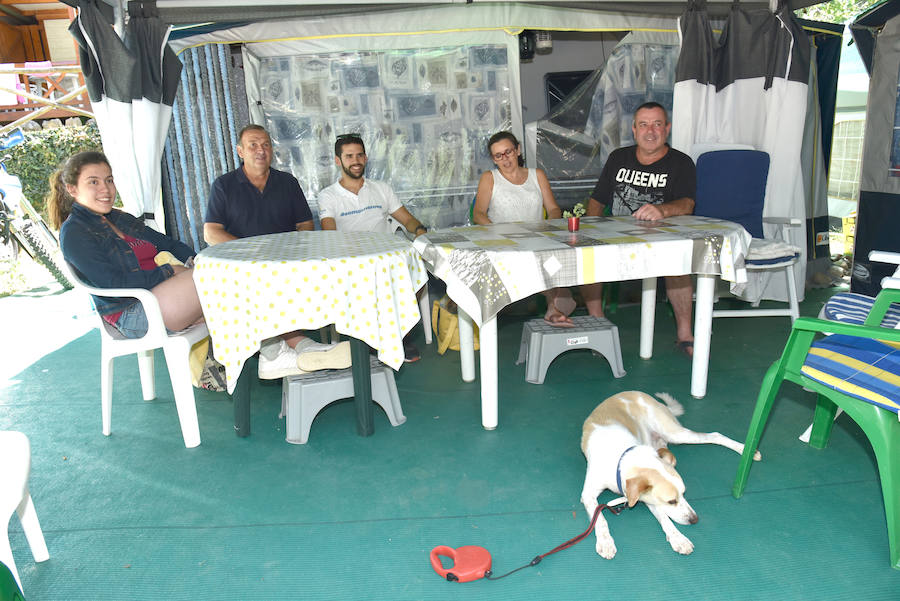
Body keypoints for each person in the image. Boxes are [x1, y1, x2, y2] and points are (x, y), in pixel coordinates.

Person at [204, 124, 349, 378]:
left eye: (266, 145)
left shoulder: (287, 182)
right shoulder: (224, 185)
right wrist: (250, 252)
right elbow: (211, 232)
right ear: (240, 151)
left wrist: (292, 250)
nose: (260, 150)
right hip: (243, 266)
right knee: (257, 283)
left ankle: (283, 351)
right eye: (253, 145)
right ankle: (297, 348)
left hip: (287, 262)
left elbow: (305, 224)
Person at [581, 101, 697, 356]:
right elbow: (597, 200)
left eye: (657, 124)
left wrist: (662, 210)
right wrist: (589, 233)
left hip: (661, 241)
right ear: (634, 130)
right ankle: (598, 324)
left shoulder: (682, 162)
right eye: (643, 124)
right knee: (586, 256)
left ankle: (685, 334)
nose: (650, 131)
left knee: (677, 263)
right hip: (617, 240)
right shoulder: (618, 158)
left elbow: (688, 203)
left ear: (667, 129)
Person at [50, 151, 203, 338]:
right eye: (93, 182)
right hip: (133, 311)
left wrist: (194, 260)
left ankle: (214, 359)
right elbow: (113, 283)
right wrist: (168, 271)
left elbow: (168, 244)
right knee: (218, 281)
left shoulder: (120, 218)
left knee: (226, 291)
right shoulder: (74, 232)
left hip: (163, 294)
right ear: (72, 189)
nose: (105, 189)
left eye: (109, 180)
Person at [317, 133, 428, 361]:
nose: (355, 160)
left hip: (387, 257)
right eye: (349, 156)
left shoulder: (381, 189)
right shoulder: (328, 196)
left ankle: (399, 334)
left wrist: (420, 232)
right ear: (338, 161)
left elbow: (407, 220)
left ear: (366, 158)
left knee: (417, 274)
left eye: (359, 155)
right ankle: (370, 337)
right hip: (350, 260)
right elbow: (329, 233)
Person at [472, 131, 575, 326]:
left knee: (552, 257)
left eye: (508, 152)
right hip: (502, 242)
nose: (505, 159)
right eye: (498, 156)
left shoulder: (537, 175)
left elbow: (553, 209)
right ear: (494, 160)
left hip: (536, 239)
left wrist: (550, 227)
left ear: (518, 150)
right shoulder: (490, 178)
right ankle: (559, 298)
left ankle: (553, 306)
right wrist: (496, 232)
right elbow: (479, 213)